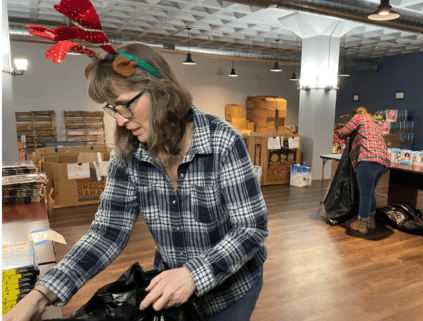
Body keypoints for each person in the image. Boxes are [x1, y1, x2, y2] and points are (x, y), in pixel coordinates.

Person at [4, 41, 269, 321]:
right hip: (169, 290)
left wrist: (193, 274)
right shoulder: (127, 154)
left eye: (125, 105)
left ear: (162, 90)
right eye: (112, 109)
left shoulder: (223, 142)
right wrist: (41, 294)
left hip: (230, 292)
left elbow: (251, 227)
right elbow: (107, 233)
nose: (120, 120)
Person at [338, 107, 391, 233]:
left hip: (368, 158)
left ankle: (362, 222)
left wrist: (339, 132)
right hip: (383, 161)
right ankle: (371, 219)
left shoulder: (358, 118)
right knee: (370, 191)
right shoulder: (376, 124)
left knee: (365, 193)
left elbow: (342, 132)